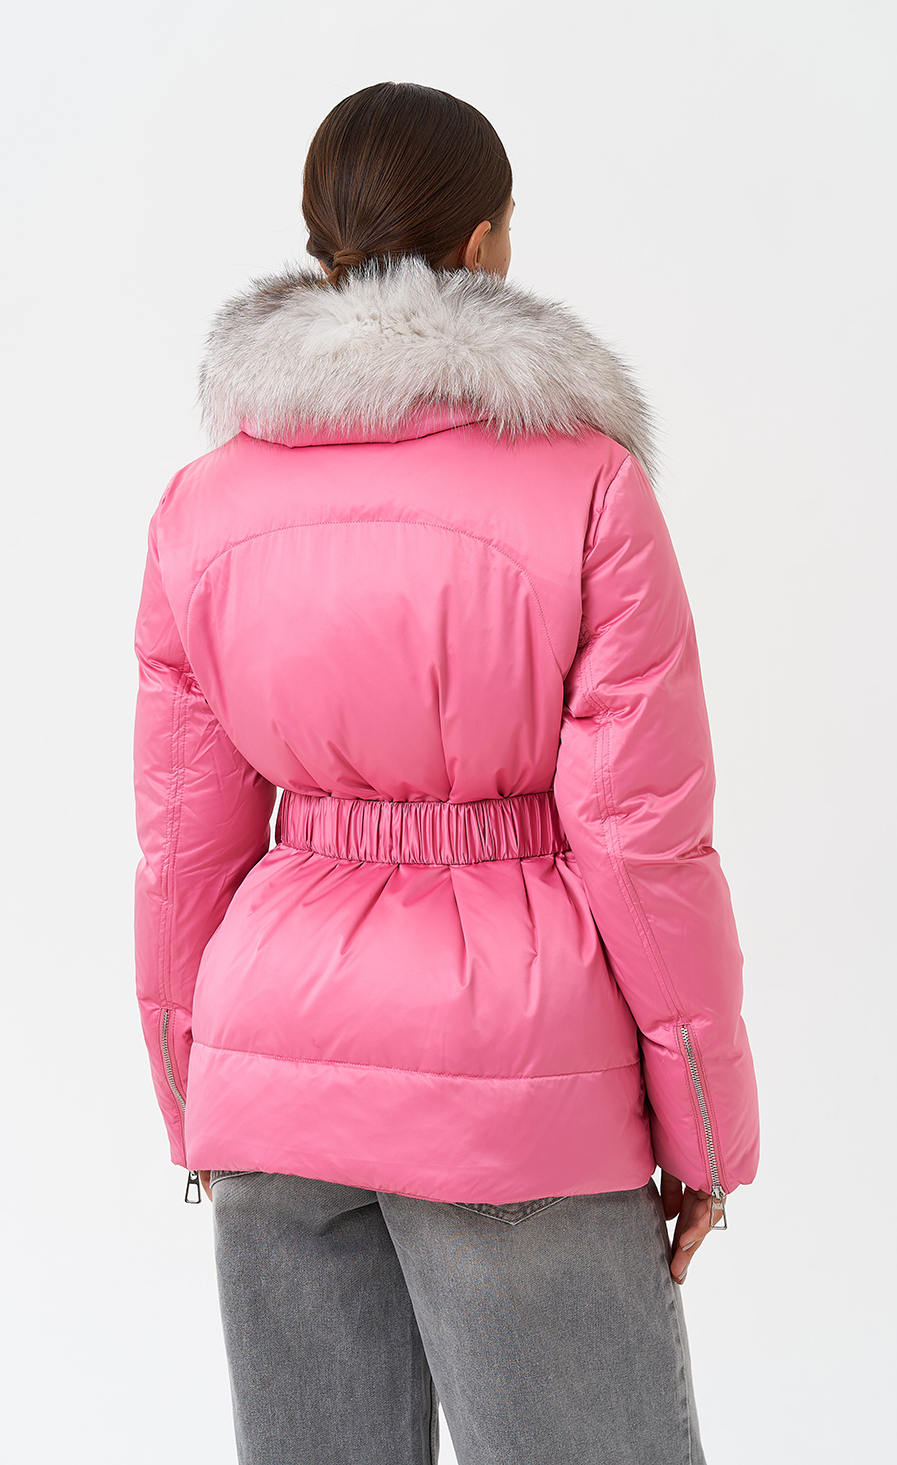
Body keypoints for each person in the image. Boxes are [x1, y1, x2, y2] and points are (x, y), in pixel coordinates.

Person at [133, 80, 760, 1465]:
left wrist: (198, 1092)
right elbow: (643, 841)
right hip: (518, 1082)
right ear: (481, 245)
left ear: (322, 244)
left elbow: (184, 842)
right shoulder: (586, 487)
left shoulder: (204, 503)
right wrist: (706, 1131)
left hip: (273, 1074)